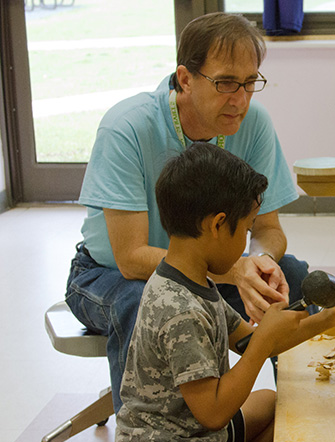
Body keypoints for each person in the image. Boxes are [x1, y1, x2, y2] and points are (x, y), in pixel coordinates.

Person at [111, 143, 335, 442]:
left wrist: (327, 318)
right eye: (245, 230)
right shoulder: (179, 308)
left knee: (274, 405)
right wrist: (262, 345)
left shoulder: (196, 282)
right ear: (216, 224)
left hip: (195, 437)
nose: (247, 241)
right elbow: (213, 410)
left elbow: (250, 340)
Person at [65, 12, 307, 413]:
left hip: (210, 268)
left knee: (292, 276)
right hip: (108, 276)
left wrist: (259, 262)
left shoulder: (253, 122)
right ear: (185, 78)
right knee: (145, 301)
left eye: (250, 83)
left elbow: (269, 229)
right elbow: (130, 257)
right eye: (226, 82)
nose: (241, 99)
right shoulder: (127, 128)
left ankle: (305, 418)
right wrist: (234, 272)